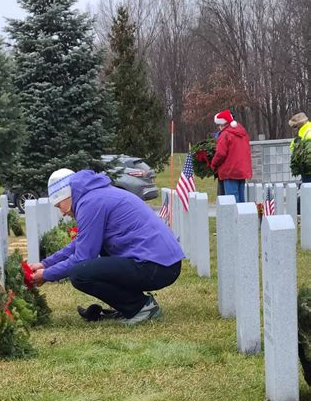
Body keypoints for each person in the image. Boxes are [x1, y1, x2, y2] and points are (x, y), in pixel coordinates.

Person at [28, 168, 184, 325]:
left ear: (66, 195)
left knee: (79, 273)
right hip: (162, 263)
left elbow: (82, 257)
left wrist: (46, 274)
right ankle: (134, 305)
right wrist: (45, 264)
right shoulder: (94, 195)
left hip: (157, 266)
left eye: (58, 205)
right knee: (90, 262)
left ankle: (141, 307)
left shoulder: (90, 203)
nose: (62, 213)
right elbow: (81, 242)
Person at [210, 109, 252, 203]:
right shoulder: (243, 133)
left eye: (219, 125)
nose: (219, 128)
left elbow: (220, 153)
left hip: (230, 171)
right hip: (241, 171)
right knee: (241, 201)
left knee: (232, 202)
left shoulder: (225, 134)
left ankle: (234, 218)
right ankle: (243, 218)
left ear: (223, 124)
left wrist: (213, 164)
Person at [289, 112, 311, 183]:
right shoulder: (303, 133)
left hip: (308, 172)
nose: (293, 129)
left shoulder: (308, 133)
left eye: (294, 127)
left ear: (299, 125)